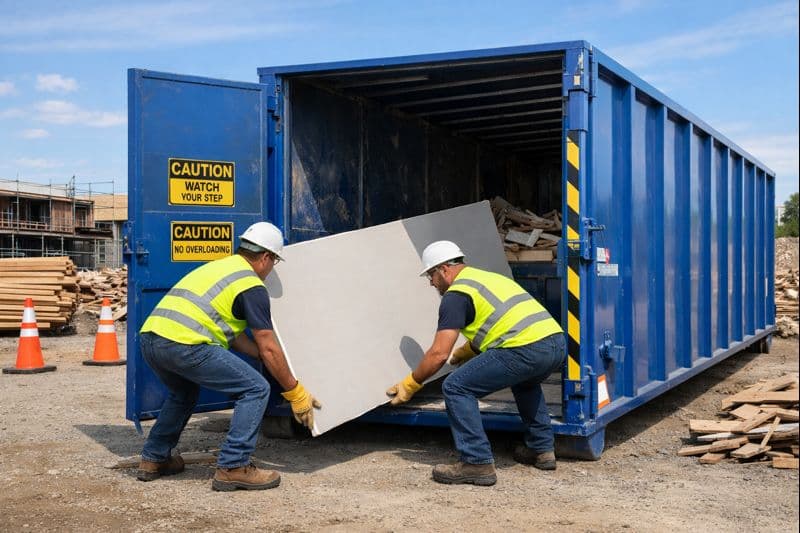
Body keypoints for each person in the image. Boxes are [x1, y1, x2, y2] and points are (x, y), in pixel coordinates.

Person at [136, 222, 321, 491]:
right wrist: (295, 391)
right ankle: (234, 466)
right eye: (275, 262)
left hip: (152, 339)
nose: (272, 270)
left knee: (183, 394)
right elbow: (268, 345)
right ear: (266, 257)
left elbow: (233, 336)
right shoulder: (250, 285)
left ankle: (154, 458)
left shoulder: (220, 267)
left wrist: (268, 359)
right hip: (186, 344)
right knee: (256, 388)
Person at [386, 240, 565, 486]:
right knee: (525, 383)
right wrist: (467, 350)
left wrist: (412, 382)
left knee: (456, 386)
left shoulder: (456, 295)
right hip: (555, 344)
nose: (431, 282)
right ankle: (542, 449)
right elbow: (501, 319)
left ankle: (476, 462)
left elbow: (438, 354)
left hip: (524, 348)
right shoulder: (486, 278)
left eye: (431, 275)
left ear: (444, 269)